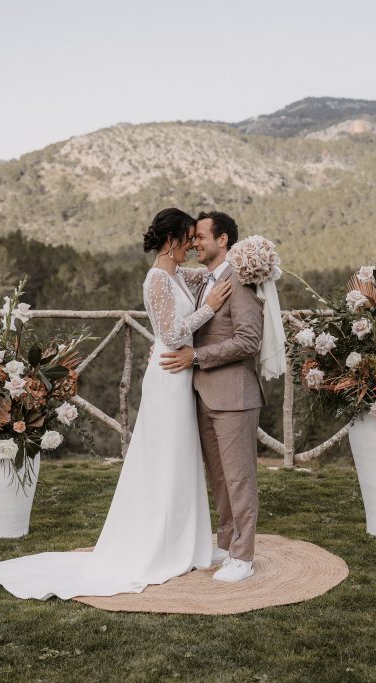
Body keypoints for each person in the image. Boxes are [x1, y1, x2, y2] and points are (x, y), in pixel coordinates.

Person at [0, 208, 232, 599]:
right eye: (188, 238)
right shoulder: (156, 279)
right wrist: (210, 309)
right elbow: (171, 334)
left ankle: (187, 543)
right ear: (172, 239)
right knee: (165, 457)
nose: (191, 245)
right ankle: (161, 545)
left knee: (182, 458)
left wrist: (245, 258)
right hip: (168, 376)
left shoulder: (179, 275)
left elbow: (212, 274)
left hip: (181, 374)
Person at [159, 211, 266, 583]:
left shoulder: (240, 281)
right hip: (203, 394)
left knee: (239, 479)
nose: (195, 243)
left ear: (223, 240)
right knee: (219, 478)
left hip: (235, 395)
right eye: (192, 237)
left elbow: (249, 341)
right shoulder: (205, 281)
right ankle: (226, 543)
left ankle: (244, 556)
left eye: (201, 236)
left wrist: (197, 357)